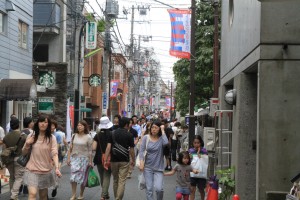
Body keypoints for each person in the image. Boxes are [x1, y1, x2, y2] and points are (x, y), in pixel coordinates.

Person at [22, 115, 62, 200]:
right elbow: (23, 152)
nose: (43, 124)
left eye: (45, 122)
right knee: (32, 194)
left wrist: (57, 168)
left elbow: (55, 153)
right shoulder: (31, 135)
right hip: (32, 169)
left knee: (43, 196)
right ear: (37, 123)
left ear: (48, 124)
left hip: (45, 170)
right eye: (41, 122)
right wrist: (27, 144)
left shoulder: (52, 138)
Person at [103, 117, 135, 200]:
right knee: (122, 181)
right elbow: (131, 149)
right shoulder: (129, 135)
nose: (130, 125)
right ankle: (118, 198)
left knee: (115, 180)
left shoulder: (112, 133)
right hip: (124, 160)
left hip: (114, 160)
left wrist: (106, 159)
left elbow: (108, 147)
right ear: (126, 125)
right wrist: (133, 160)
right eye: (129, 124)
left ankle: (116, 197)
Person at [138, 120, 169, 200]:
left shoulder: (162, 138)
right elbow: (141, 151)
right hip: (148, 167)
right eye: (152, 127)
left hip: (159, 168)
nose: (154, 129)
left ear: (159, 129)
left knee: (159, 189)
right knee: (149, 190)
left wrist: (163, 130)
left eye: (156, 128)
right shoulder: (146, 138)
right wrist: (141, 162)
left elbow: (166, 143)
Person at [67, 120, 93, 200]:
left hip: (84, 159)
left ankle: (81, 194)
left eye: (81, 125)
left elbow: (90, 151)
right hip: (74, 158)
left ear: (85, 127)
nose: (79, 127)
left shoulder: (88, 137)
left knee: (82, 177)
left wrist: (90, 161)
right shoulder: (74, 135)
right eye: (78, 125)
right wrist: (68, 158)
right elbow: (70, 148)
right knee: (73, 177)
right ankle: (73, 194)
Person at [3, 117, 27, 200]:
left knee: (12, 177)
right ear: (18, 125)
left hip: (9, 159)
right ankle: (14, 195)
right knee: (19, 177)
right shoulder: (23, 136)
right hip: (19, 159)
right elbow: (27, 147)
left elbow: (5, 147)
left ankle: (12, 194)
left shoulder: (6, 136)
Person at [92, 116, 113, 200]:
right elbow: (109, 147)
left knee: (102, 176)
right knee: (107, 176)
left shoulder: (97, 135)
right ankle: (104, 195)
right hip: (109, 158)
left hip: (98, 157)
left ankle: (105, 194)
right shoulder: (111, 134)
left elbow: (93, 148)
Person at [188, 135, 208, 200]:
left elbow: (205, 161)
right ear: (193, 143)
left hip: (201, 173)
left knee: (201, 189)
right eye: (195, 143)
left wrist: (199, 154)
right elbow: (188, 161)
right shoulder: (190, 151)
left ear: (201, 143)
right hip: (193, 173)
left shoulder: (204, 151)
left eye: (198, 143)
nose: (196, 144)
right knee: (192, 189)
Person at [18, 116, 34, 195]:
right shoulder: (31, 132)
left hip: (21, 153)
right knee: (28, 171)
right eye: (32, 122)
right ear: (29, 124)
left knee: (21, 171)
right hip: (29, 154)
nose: (33, 123)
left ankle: (20, 187)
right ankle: (25, 188)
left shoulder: (20, 132)